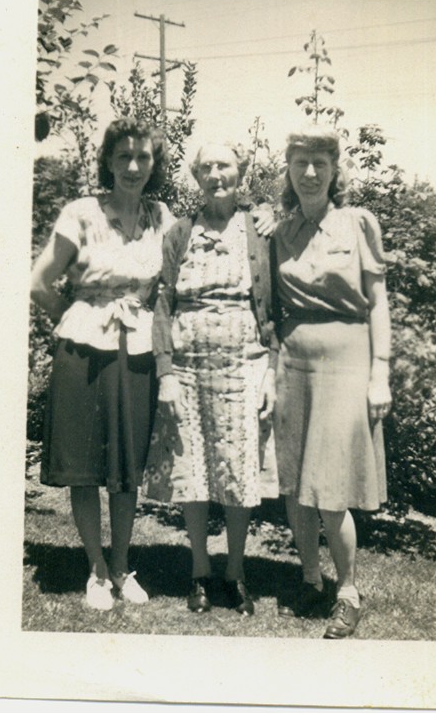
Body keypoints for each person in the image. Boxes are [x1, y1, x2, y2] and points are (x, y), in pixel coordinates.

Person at [30, 117, 175, 610]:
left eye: (143, 157)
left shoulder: (162, 217)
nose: (133, 167)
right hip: (84, 348)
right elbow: (38, 282)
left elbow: (193, 259)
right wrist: (74, 316)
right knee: (86, 465)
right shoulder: (81, 213)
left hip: (138, 349)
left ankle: (121, 565)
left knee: (126, 464)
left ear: (154, 164)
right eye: (123, 157)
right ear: (108, 162)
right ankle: (95, 569)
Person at [147, 141, 279, 616]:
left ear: (240, 172)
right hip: (188, 368)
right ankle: (200, 572)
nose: (216, 174)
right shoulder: (180, 233)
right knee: (194, 471)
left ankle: (235, 572)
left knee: (239, 470)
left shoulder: (260, 230)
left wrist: (272, 372)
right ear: (197, 176)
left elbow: (277, 308)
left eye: (224, 165)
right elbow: (163, 303)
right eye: (207, 167)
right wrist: (165, 373)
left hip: (245, 365)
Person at [272, 126, 391, 638]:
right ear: (288, 169)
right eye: (300, 163)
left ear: (334, 169)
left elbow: (378, 301)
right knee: (296, 483)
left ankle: (348, 591)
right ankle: (310, 579)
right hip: (293, 362)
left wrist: (380, 370)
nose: (310, 173)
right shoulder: (280, 231)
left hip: (347, 359)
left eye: (320, 163)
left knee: (331, 484)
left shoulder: (358, 223)